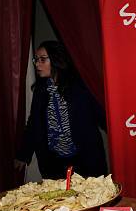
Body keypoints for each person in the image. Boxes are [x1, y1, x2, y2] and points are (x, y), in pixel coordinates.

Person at [15, 41, 108, 179]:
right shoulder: (41, 90)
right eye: (36, 59)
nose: (37, 64)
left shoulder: (80, 86)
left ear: (57, 59)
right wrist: (23, 155)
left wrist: (120, 136)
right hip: (55, 164)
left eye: (43, 59)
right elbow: (34, 124)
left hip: (85, 161)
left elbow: (102, 114)